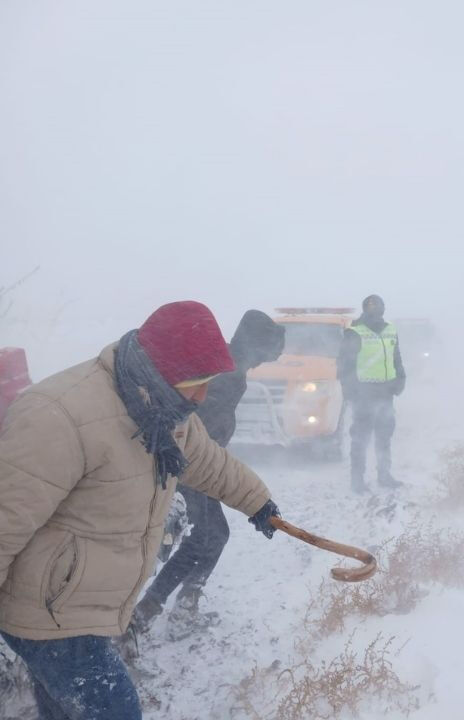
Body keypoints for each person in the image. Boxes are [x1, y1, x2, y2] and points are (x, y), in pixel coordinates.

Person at [0, 301, 282, 720]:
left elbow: (208, 461)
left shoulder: (164, 408)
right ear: (162, 367)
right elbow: (6, 522)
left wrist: (257, 501)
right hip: (51, 610)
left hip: (84, 602)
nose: (204, 396)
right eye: (197, 382)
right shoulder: (61, 415)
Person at [130, 310, 286, 635]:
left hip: (191, 463)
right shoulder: (228, 374)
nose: (266, 362)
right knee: (210, 535)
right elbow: (198, 424)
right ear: (257, 347)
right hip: (190, 466)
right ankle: (155, 611)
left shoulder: (231, 366)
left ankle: (167, 607)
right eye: (268, 353)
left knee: (209, 536)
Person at [337, 294, 406, 493]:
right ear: (364, 309)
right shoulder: (354, 332)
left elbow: (396, 358)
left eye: (377, 305)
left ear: (383, 308)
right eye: (370, 306)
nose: (374, 309)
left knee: (384, 436)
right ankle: (357, 480)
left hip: (386, 392)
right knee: (360, 438)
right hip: (363, 394)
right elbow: (344, 365)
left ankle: (384, 475)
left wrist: (401, 378)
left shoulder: (390, 330)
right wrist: (350, 392)